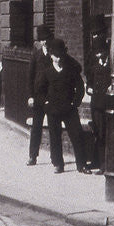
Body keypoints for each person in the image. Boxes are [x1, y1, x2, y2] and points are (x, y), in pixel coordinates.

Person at [37, 38, 91, 175]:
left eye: (61, 55)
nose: (59, 58)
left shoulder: (71, 70)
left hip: (69, 109)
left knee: (77, 135)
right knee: (55, 137)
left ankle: (82, 164)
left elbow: (80, 88)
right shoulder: (47, 72)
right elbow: (40, 90)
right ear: (51, 55)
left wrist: (75, 103)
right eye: (56, 56)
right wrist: (46, 104)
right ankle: (58, 164)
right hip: (53, 110)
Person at [84, 17, 111, 173]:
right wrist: (89, 85)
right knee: (98, 131)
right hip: (96, 100)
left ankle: (105, 163)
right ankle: (98, 162)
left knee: (106, 132)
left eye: (98, 34)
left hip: (109, 100)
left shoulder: (113, 51)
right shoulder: (92, 54)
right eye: (93, 35)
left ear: (104, 34)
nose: (95, 37)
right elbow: (88, 72)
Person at [26, 24, 52, 166]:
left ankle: (55, 157)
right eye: (42, 39)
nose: (44, 42)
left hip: (52, 96)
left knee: (54, 126)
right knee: (36, 127)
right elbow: (30, 77)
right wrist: (31, 96)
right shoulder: (36, 55)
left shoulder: (54, 54)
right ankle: (33, 155)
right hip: (39, 96)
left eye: (46, 39)